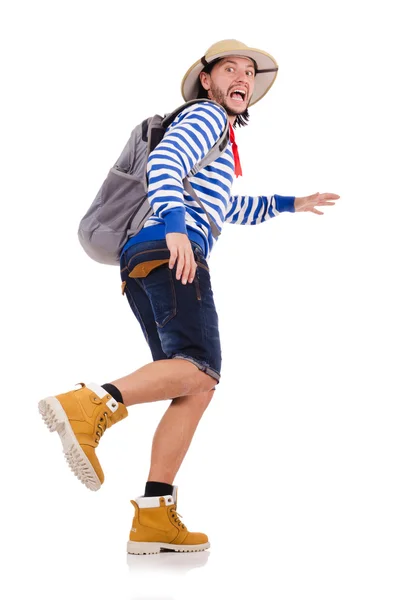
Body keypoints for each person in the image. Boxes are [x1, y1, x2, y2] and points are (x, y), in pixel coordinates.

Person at [39, 39, 340, 555]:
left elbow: (224, 206)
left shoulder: (221, 138)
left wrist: (292, 203)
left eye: (249, 71)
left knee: (193, 384)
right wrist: (177, 229)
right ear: (207, 79)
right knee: (201, 366)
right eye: (230, 68)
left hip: (147, 257)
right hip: (171, 248)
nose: (243, 76)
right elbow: (167, 165)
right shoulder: (204, 117)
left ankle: (155, 516)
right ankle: (91, 404)